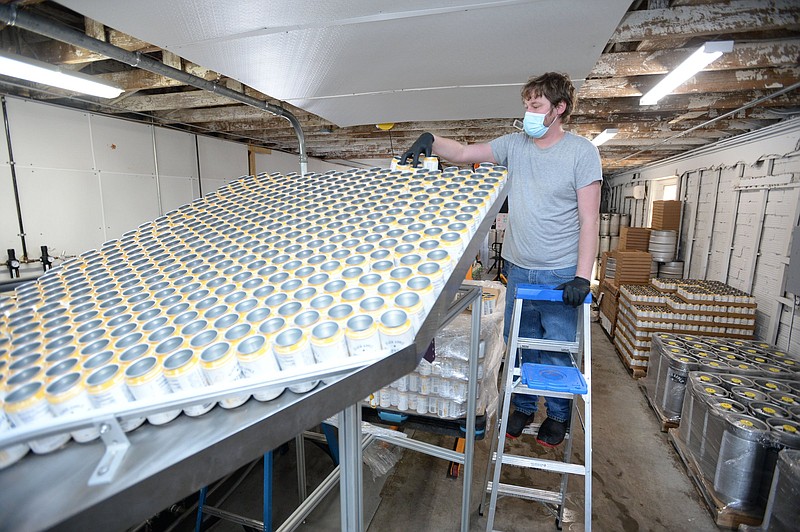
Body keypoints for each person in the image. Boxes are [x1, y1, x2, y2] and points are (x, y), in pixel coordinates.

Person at [400, 72, 601, 446]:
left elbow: (590, 219)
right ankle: (523, 405)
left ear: (559, 109)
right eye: (526, 105)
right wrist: (431, 140)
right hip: (519, 268)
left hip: (559, 271)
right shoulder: (515, 144)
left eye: (537, 106)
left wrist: (582, 276)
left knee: (554, 349)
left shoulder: (581, 153)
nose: (528, 113)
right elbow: (463, 153)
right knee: (521, 343)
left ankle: (557, 414)